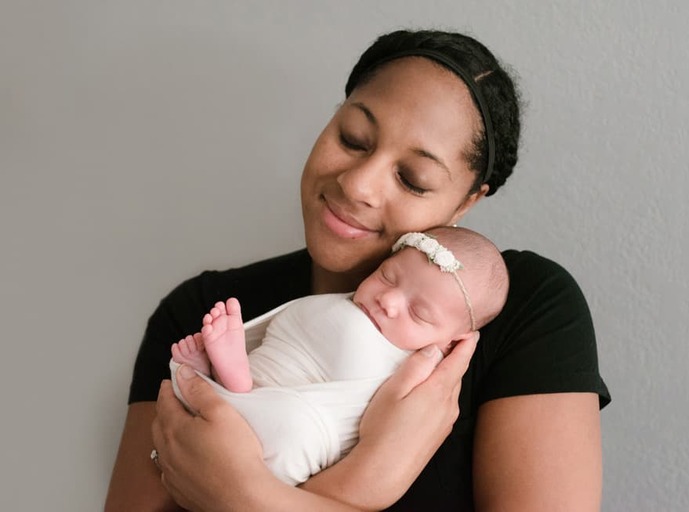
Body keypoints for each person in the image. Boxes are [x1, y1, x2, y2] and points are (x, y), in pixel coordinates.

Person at [106, 28, 611, 511]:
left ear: (467, 202)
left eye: (413, 179)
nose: (358, 185)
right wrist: (371, 474)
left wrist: (246, 498)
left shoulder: (523, 309)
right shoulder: (204, 311)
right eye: (352, 138)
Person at [167, 227, 509, 486]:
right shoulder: (345, 302)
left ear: (452, 342)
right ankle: (226, 378)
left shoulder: (424, 368)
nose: (388, 301)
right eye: (387, 277)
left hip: (306, 425)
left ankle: (233, 384)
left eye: (418, 313)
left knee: (291, 429)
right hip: (278, 364)